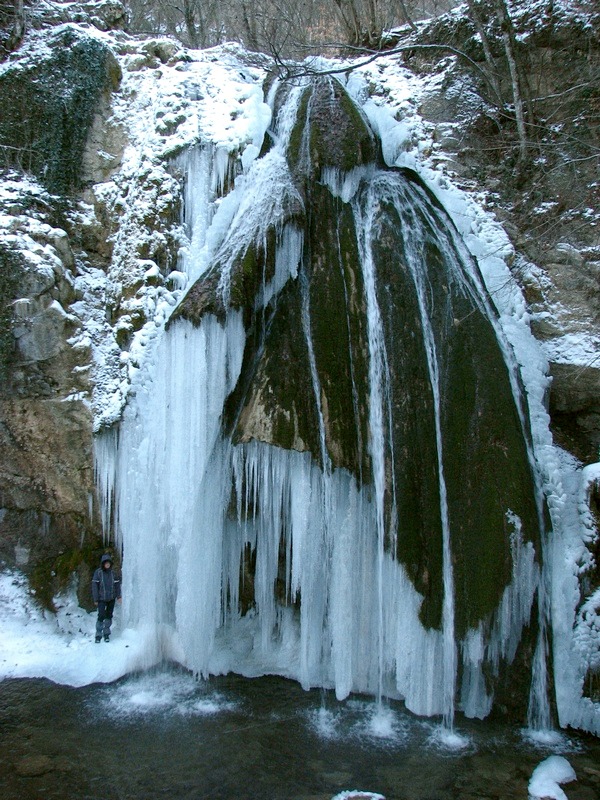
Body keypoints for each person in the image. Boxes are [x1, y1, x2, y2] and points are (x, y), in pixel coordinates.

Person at [91, 553, 122, 643]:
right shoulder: (98, 573)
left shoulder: (113, 573)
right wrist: (96, 599)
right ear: (103, 564)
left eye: (109, 563)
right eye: (106, 563)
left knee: (109, 615)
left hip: (111, 598)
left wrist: (118, 596)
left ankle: (106, 633)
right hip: (101, 599)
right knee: (101, 615)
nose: (107, 564)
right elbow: (94, 586)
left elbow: (117, 585)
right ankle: (98, 634)